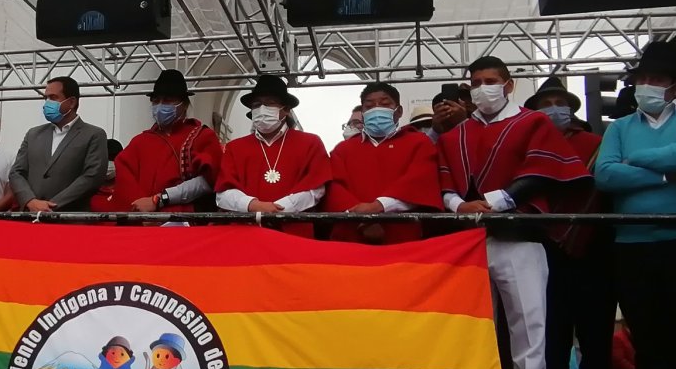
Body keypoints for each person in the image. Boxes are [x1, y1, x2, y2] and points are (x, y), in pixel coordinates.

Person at [437, 56, 590, 369]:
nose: (483, 89)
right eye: (476, 83)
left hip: (520, 238)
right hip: (470, 244)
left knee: (529, 328)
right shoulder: (455, 135)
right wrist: (459, 206)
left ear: (509, 85)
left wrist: (498, 200)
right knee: (473, 330)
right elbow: (444, 183)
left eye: (491, 82)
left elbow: (543, 170)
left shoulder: (532, 122)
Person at [593, 41, 676, 369]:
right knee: (648, 338)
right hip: (631, 247)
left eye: (656, 78)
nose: (645, 85)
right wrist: (667, 174)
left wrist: (635, 160)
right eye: (641, 78)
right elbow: (605, 174)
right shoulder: (619, 127)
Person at [524, 77, 615, 369]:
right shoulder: (526, 148)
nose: (554, 109)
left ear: (571, 110)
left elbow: (604, 192)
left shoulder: (596, 144)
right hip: (541, 252)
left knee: (596, 336)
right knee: (550, 338)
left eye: (560, 103)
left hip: (593, 250)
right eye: (546, 104)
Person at [323, 82, 442, 245]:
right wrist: (363, 221)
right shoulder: (343, 149)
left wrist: (379, 207)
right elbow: (333, 187)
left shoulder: (419, 143)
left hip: (403, 239)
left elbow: (420, 182)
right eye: (369, 106)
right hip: (351, 236)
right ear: (363, 113)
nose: (376, 109)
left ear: (399, 111)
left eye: (385, 104)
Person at [215, 75, 331, 238]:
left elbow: (316, 189)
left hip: (294, 231)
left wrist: (277, 209)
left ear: (286, 108)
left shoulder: (310, 143)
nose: (262, 109)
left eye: (269, 103)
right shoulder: (235, 147)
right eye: (256, 104)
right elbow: (223, 194)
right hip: (245, 232)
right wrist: (253, 205)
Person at [114, 70, 223, 214]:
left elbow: (209, 181)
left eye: (167, 100)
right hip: (143, 221)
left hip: (186, 221)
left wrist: (159, 200)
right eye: (156, 100)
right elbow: (124, 179)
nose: (160, 105)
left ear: (183, 105)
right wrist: (141, 209)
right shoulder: (139, 142)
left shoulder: (202, 136)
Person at [10, 76, 109, 212]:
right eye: (46, 98)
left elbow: (92, 177)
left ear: (72, 102)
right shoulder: (33, 134)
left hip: (69, 220)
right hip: (32, 218)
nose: (47, 103)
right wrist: (30, 201)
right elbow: (16, 172)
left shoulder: (93, 134)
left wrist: (51, 205)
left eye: (53, 97)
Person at [90, 140, 125, 215]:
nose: (108, 163)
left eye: (112, 158)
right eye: (104, 159)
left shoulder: (129, 189)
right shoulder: (87, 190)